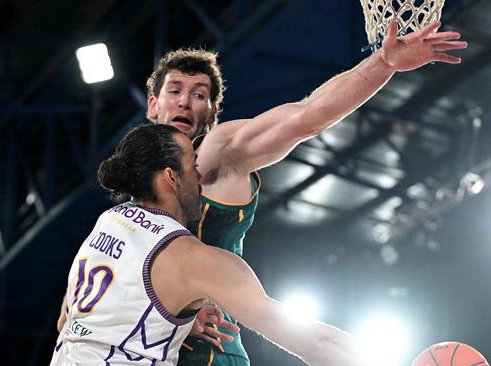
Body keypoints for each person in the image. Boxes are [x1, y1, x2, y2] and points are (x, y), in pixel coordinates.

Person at [58, 19, 467, 365]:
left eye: (199, 94)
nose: (185, 102)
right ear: (152, 104)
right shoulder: (140, 188)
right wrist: (166, 305)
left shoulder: (214, 152)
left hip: (208, 351)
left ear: (214, 113)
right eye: (175, 90)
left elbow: (305, 117)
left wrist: (382, 63)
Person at [50, 124, 366, 366]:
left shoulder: (108, 221)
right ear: (171, 177)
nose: (199, 174)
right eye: (192, 164)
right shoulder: (192, 259)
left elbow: (65, 320)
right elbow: (318, 343)